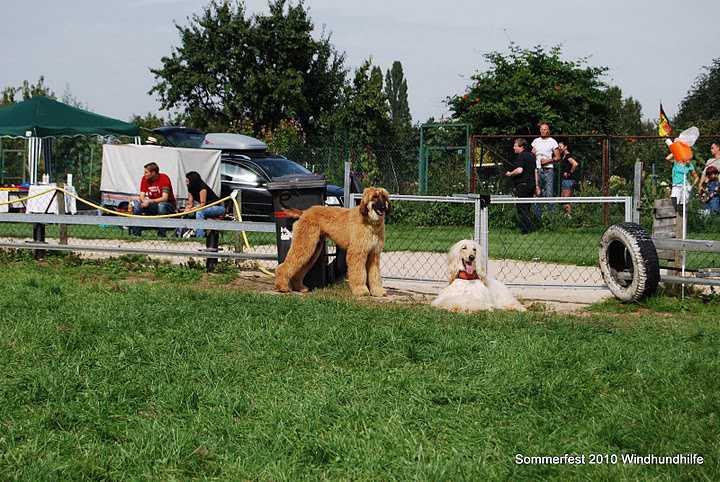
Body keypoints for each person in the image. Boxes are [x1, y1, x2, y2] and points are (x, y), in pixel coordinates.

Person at [131, 162, 176, 237]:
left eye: (146, 172)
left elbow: (165, 198)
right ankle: (136, 234)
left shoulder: (164, 178)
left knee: (161, 206)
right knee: (136, 204)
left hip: (168, 205)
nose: (144, 174)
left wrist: (149, 201)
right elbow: (141, 196)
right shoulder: (144, 179)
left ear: (153, 173)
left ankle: (161, 234)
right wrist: (144, 201)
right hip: (152, 205)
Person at [505, 138, 538, 234]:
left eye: (515, 146)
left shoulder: (521, 156)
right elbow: (535, 171)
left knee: (522, 208)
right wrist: (536, 186)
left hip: (522, 185)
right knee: (527, 207)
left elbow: (519, 170)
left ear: (521, 147)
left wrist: (510, 174)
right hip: (531, 185)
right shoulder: (532, 156)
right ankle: (530, 228)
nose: (513, 147)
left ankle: (526, 230)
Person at [184, 171, 224, 238]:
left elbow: (203, 204)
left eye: (187, 180)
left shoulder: (202, 187)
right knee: (186, 213)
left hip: (217, 207)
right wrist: (187, 209)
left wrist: (192, 209)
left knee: (200, 212)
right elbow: (190, 204)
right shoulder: (190, 188)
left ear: (193, 181)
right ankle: (181, 234)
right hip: (206, 208)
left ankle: (199, 236)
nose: (186, 182)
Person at [531, 123, 559, 217]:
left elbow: (558, 157)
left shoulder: (553, 142)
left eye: (545, 129)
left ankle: (551, 217)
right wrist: (533, 154)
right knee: (537, 193)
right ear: (539, 130)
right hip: (537, 170)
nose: (543, 131)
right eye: (542, 129)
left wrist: (548, 161)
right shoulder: (536, 141)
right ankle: (537, 217)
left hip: (548, 170)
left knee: (549, 194)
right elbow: (532, 154)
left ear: (548, 131)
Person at [556, 139, 579, 216]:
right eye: (558, 147)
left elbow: (575, 164)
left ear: (565, 147)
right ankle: (566, 217)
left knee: (566, 201)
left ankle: (569, 217)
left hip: (568, 180)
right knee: (563, 201)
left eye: (560, 146)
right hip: (565, 180)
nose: (559, 148)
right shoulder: (564, 156)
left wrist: (569, 173)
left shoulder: (568, 156)